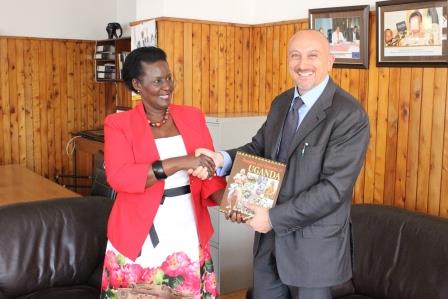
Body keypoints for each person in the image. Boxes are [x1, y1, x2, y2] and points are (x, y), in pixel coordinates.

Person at [195, 30, 370, 299]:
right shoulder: (282, 102)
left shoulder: (348, 115)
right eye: (295, 56)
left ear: (330, 61)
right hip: (268, 247)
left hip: (313, 253)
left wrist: (273, 218)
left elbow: (333, 190)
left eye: (313, 56)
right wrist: (222, 159)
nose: (303, 64)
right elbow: (259, 149)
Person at [100, 46, 226, 299]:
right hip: (139, 232)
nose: (167, 86)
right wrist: (180, 162)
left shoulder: (192, 116)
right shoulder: (118, 124)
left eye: (168, 78)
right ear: (137, 84)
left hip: (188, 224)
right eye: (157, 81)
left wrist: (233, 205)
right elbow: (120, 176)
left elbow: (210, 174)